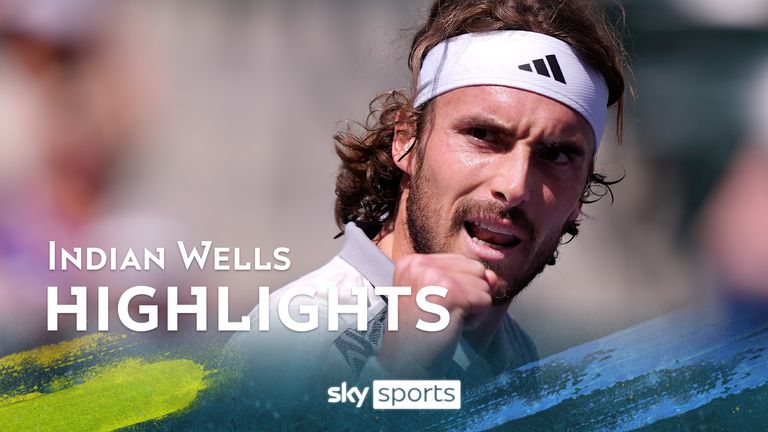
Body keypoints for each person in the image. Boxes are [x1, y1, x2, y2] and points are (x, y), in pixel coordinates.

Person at [228, 0, 627, 398]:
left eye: (556, 155)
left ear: (580, 194)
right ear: (407, 141)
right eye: (483, 136)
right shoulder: (296, 333)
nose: (516, 186)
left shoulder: (519, 356)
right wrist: (401, 372)